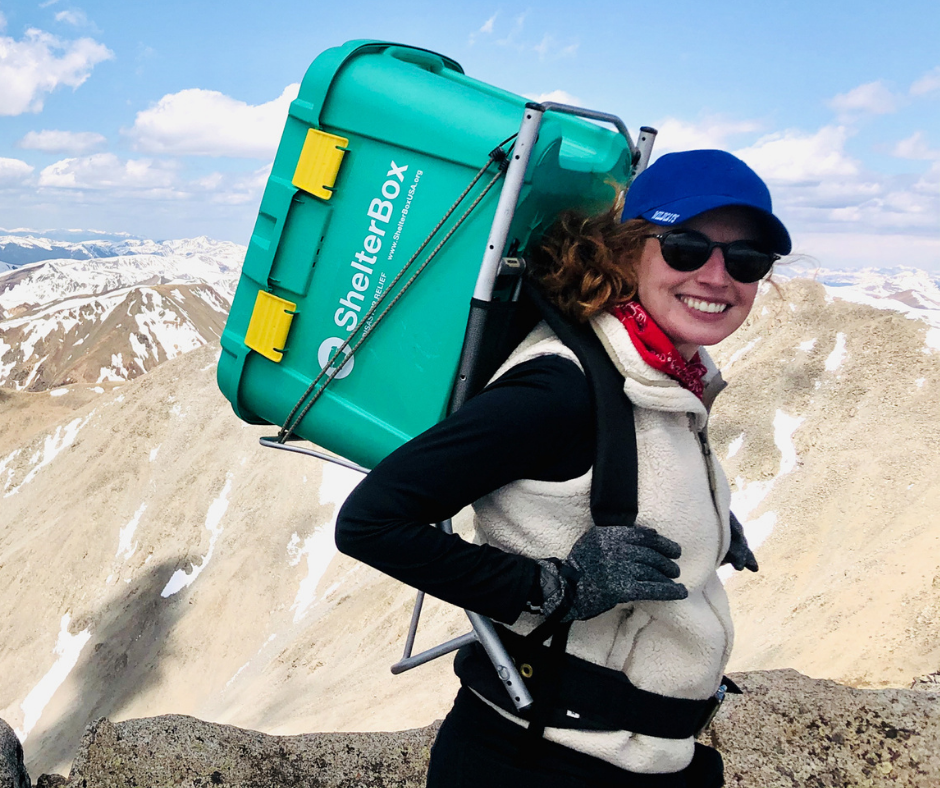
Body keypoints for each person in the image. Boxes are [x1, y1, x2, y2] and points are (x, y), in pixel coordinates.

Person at [335, 149, 790, 787]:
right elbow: (371, 522)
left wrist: (706, 520)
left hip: (640, 757)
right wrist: (555, 585)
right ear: (632, 251)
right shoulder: (561, 388)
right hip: (537, 761)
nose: (718, 277)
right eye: (686, 248)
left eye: (747, 261)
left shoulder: (668, 373)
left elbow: (598, 480)